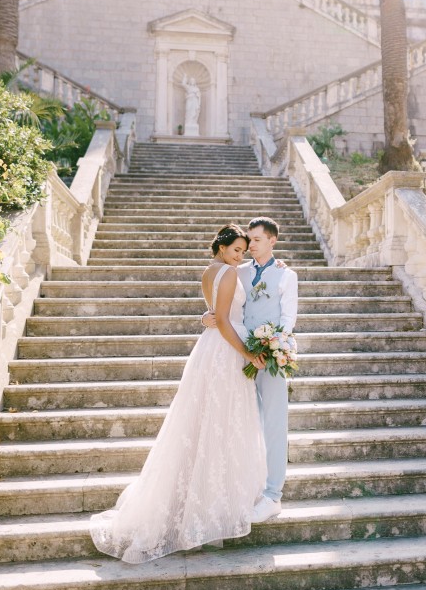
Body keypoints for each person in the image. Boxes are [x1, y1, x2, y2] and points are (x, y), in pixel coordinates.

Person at [90, 225, 265, 564]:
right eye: (236, 249)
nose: (240, 255)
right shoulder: (228, 274)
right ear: (222, 246)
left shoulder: (208, 272)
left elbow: (213, 315)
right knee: (220, 426)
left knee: (202, 426)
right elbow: (225, 321)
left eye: (244, 251)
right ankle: (210, 514)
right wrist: (248, 354)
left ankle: (197, 507)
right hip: (227, 351)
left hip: (209, 351)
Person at [205, 216, 299, 523]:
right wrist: (207, 318)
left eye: (256, 239)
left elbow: (288, 320)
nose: (250, 245)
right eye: (249, 240)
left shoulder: (287, 275)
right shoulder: (237, 271)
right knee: (245, 422)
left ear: (272, 241)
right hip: (238, 355)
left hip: (270, 357)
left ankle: (273, 495)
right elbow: (224, 309)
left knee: (274, 423)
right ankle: (249, 486)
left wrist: (270, 347)